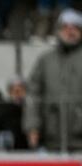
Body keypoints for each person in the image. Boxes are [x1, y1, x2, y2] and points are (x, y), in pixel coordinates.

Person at [25, 8, 82, 152]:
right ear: (58, 31)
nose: (70, 32)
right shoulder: (45, 60)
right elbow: (33, 94)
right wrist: (32, 126)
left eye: (75, 28)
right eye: (65, 27)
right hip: (51, 138)